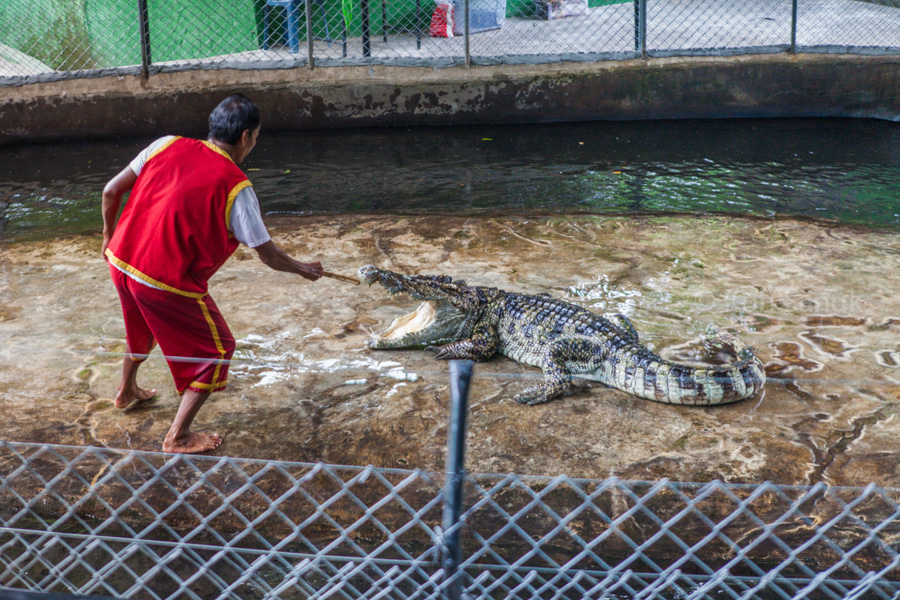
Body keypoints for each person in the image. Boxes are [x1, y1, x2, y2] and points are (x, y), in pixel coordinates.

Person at [101, 93, 323, 454]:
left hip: (121, 262)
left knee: (141, 326)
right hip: (162, 280)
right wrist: (303, 269)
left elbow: (111, 191)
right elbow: (267, 253)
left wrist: (110, 238)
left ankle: (126, 392)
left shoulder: (166, 144)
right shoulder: (237, 187)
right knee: (217, 351)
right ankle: (178, 436)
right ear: (247, 137)